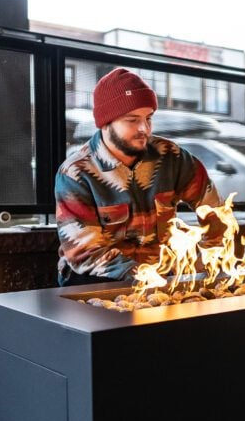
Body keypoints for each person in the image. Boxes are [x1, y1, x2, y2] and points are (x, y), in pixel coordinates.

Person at [55, 68, 224, 286]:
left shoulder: (173, 158)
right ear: (106, 122)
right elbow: (85, 253)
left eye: (148, 118)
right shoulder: (76, 173)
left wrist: (207, 257)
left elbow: (216, 212)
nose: (144, 128)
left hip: (162, 274)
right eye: (132, 120)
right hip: (96, 276)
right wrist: (146, 279)